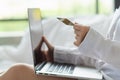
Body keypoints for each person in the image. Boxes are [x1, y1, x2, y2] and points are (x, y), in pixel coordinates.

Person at [0, 6, 120, 80]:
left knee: (18, 72)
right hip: (99, 74)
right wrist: (56, 54)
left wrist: (93, 41)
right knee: (12, 71)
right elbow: (102, 60)